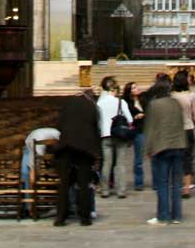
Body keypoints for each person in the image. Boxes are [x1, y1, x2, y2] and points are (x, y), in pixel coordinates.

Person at [52, 88, 101, 226]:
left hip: (66, 146)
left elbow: (59, 124)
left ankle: (60, 217)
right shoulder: (92, 106)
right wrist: (97, 153)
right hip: (85, 148)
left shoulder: (68, 103)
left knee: (64, 183)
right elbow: (95, 128)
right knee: (83, 183)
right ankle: (84, 217)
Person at [143, 75, 184, 225]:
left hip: (161, 147)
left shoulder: (154, 105)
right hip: (179, 145)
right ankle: (177, 215)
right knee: (176, 183)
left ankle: (163, 216)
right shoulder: (176, 103)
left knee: (162, 183)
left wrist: (147, 149)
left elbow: (150, 128)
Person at [96, 77, 130, 199]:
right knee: (121, 163)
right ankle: (121, 190)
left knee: (106, 163)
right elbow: (130, 119)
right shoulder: (121, 102)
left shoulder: (99, 103)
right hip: (119, 135)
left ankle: (105, 190)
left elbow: (97, 120)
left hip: (105, 135)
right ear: (115, 90)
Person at [171, 68, 195, 196]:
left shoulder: (171, 96)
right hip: (188, 128)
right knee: (187, 158)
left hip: (175, 130)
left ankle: (176, 184)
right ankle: (187, 188)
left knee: (175, 157)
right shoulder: (191, 96)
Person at [20, 125, 59, 217]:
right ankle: (29, 208)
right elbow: (33, 163)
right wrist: (33, 174)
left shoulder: (56, 135)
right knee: (26, 176)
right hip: (29, 147)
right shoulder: (38, 146)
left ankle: (30, 207)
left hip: (42, 145)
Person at [119, 82, 147, 191]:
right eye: (134, 88)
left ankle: (139, 182)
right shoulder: (126, 102)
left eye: (137, 87)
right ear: (129, 91)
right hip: (132, 130)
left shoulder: (142, 100)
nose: (137, 89)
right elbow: (127, 117)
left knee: (139, 158)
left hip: (142, 130)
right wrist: (136, 117)